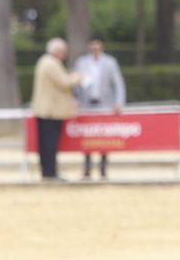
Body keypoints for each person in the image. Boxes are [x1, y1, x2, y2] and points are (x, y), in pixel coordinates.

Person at [73, 35, 126, 181]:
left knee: (103, 137)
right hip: (86, 103)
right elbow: (75, 85)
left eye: (97, 46)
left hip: (105, 104)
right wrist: (75, 100)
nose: (95, 48)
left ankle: (103, 169)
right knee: (87, 137)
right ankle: (87, 169)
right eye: (92, 46)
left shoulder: (110, 62)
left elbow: (118, 84)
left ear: (102, 46)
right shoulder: (81, 62)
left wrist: (119, 102)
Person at [31, 37, 84, 181]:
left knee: (45, 144)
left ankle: (47, 171)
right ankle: (50, 172)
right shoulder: (51, 64)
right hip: (51, 111)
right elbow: (64, 82)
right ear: (58, 51)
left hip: (45, 110)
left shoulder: (43, 61)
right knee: (50, 144)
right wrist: (78, 77)